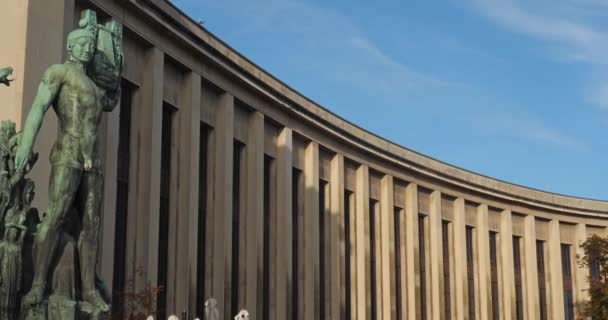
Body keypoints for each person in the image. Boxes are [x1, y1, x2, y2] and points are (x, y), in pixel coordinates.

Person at [15, 23, 120, 312]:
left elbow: (112, 98)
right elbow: (38, 106)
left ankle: (88, 289)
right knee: (56, 216)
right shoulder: (58, 72)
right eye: (80, 43)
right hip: (67, 154)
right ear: (69, 47)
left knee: (91, 225)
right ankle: (38, 285)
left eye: (90, 44)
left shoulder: (97, 90)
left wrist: (116, 64)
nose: (87, 47)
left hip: (92, 163)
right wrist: (26, 143)